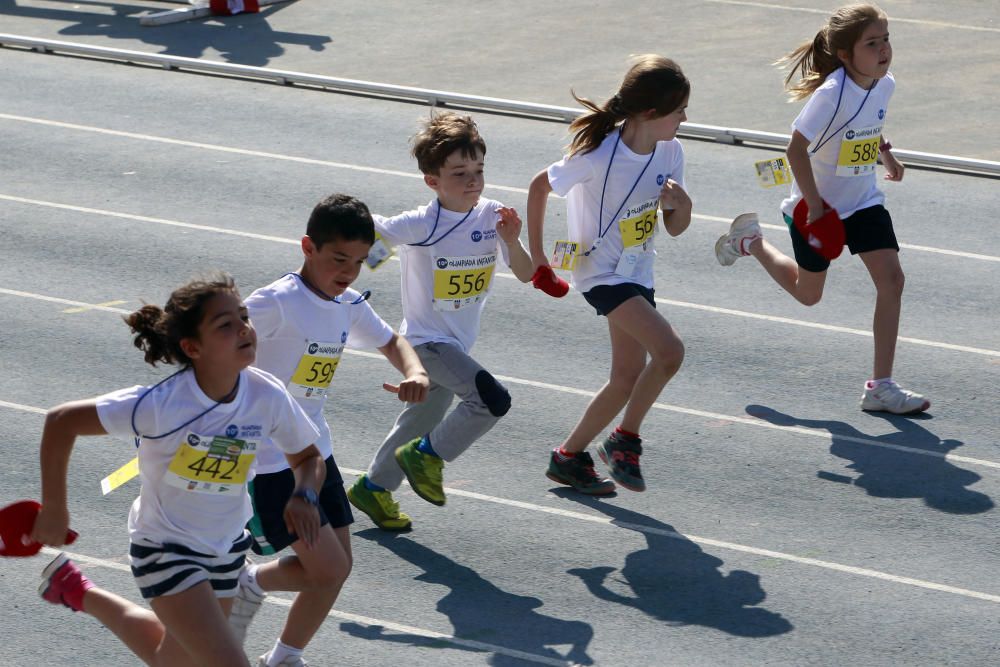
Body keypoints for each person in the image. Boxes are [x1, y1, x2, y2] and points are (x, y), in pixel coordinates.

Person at [31, 274, 324, 667]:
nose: (243, 329)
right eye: (225, 324)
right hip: (165, 549)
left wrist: (304, 493)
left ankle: (78, 591)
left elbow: (308, 457)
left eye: (243, 317)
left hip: (226, 549)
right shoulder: (161, 405)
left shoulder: (265, 395)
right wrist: (54, 509)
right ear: (192, 347)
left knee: (172, 660)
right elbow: (61, 421)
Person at [231, 194, 429, 666]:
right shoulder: (275, 303)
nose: (348, 272)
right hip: (269, 461)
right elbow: (219, 340)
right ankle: (250, 586)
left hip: (315, 452)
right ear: (308, 248)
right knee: (329, 568)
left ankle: (283, 653)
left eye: (359, 262)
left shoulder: (347, 304)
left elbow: (393, 340)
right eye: (338, 259)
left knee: (337, 569)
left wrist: (415, 372)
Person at [715, 3, 929, 415]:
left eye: (886, 40)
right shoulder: (830, 94)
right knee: (808, 295)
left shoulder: (884, 84)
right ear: (846, 54)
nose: (884, 50)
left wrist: (886, 155)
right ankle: (753, 243)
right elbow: (794, 149)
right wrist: (813, 204)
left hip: (863, 202)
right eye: (872, 43)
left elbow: (868, 120)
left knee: (892, 280)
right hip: (817, 210)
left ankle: (880, 387)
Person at [347, 111, 534, 531]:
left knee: (419, 422)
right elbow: (368, 236)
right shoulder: (421, 223)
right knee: (490, 400)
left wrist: (511, 239)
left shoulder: (492, 217)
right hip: (426, 344)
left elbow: (524, 272)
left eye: (479, 170)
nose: (473, 181)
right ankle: (428, 457)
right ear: (432, 181)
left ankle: (373, 489)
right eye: (459, 173)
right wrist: (362, 270)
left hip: (457, 344)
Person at [526, 55, 692, 495]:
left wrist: (683, 208)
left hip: (639, 271)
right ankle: (625, 440)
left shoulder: (672, 152)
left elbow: (674, 228)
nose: (686, 118)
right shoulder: (598, 154)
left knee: (626, 376)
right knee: (670, 351)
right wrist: (540, 256)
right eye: (679, 110)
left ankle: (567, 458)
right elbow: (540, 185)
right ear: (650, 114)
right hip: (600, 273)